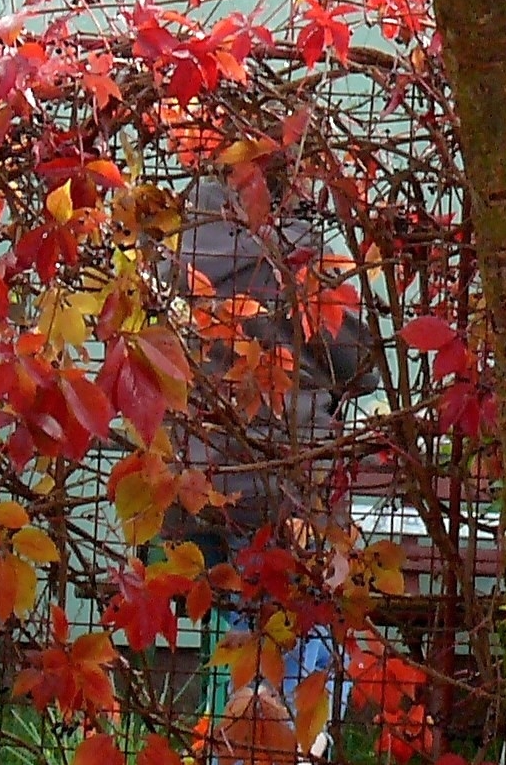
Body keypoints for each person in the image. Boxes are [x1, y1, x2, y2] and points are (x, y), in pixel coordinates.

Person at [172, 169, 384, 762]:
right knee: (301, 642)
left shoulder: (180, 246)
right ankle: (295, 745)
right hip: (291, 492)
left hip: (199, 494)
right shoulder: (299, 253)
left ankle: (234, 747)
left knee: (235, 647)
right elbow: (358, 361)